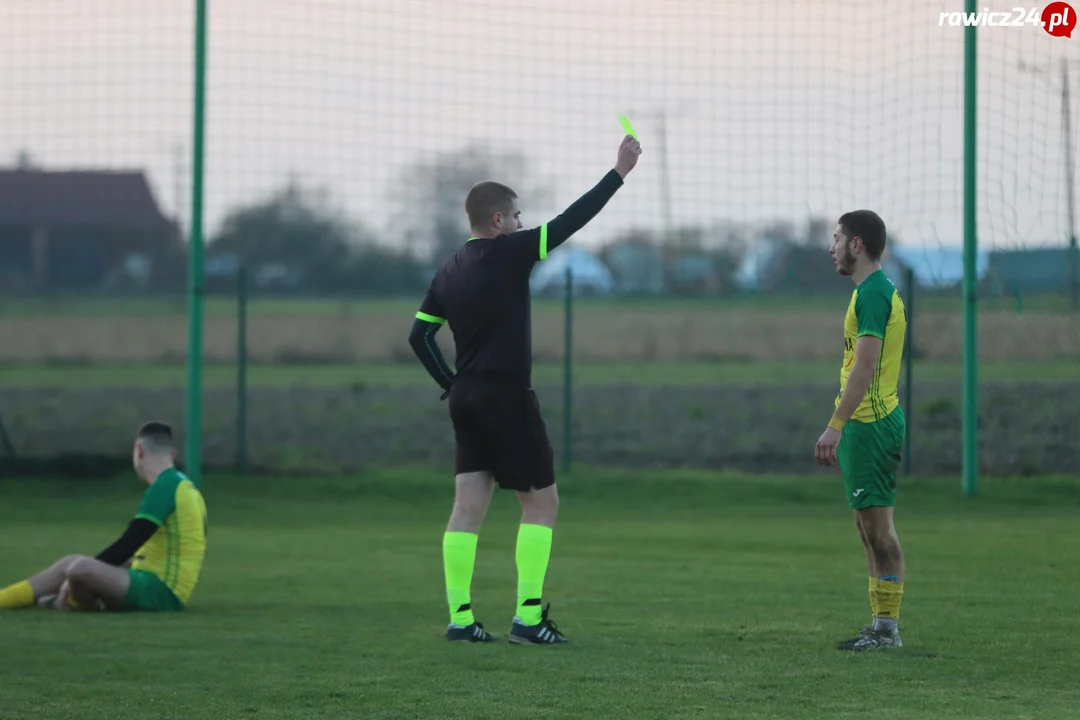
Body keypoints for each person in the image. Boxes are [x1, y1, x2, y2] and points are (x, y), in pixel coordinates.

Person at [409, 134, 642, 644]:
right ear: (498, 221)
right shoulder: (510, 252)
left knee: (466, 508)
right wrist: (618, 173)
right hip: (506, 398)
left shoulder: (449, 269)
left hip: (466, 400)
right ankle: (529, 619)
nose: (521, 223)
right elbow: (571, 221)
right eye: (516, 215)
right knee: (542, 505)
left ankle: (460, 620)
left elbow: (419, 336)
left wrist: (450, 384)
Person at [815, 210, 908, 651]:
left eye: (836, 238)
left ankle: (887, 632)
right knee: (866, 530)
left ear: (857, 245)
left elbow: (866, 368)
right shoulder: (867, 292)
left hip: (870, 424)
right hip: (861, 425)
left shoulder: (874, 295)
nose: (831, 246)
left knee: (880, 531)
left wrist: (835, 425)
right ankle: (878, 627)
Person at [0, 421, 207, 613]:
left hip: (161, 591)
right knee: (71, 562)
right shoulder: (182, 485)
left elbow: (130, 541)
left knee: (79, 568)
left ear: (139, 451)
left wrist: (85, 572)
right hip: (152, 581)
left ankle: (68, 600)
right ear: (172, 454)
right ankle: (8, 599)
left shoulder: (166, 487)